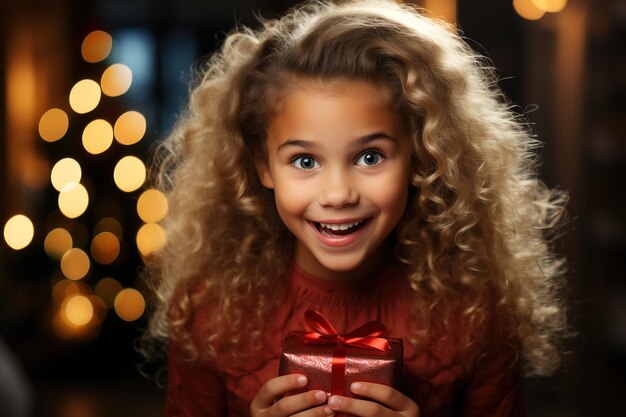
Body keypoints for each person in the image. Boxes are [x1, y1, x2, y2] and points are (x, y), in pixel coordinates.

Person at [143, 1, 571, 416]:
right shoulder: (208, 311)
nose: (337, 193)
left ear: (420, 157)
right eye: (305, 161)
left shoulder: (476, 316)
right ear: (263, 166)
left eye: (370, 157)